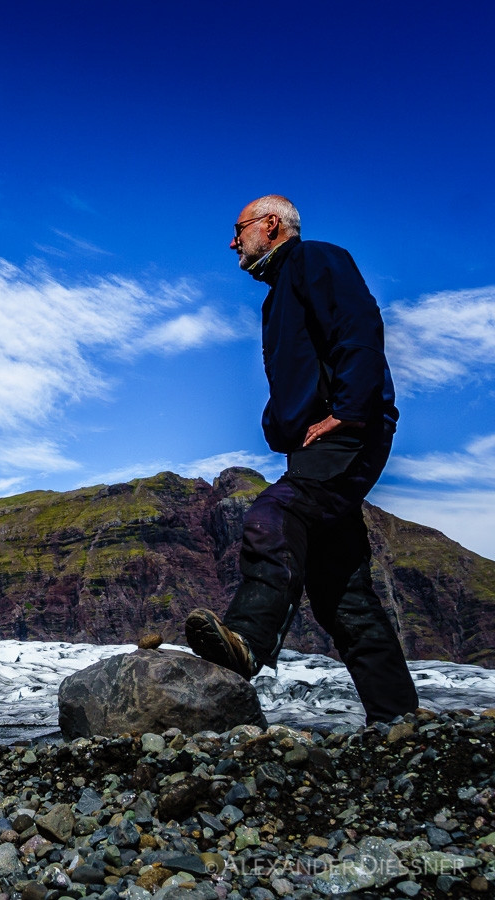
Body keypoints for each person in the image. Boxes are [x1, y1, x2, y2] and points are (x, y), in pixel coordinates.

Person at [184, 194, 419, 723]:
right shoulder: (278, 294)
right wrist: (281, 423)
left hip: (348, 432)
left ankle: (247, 638)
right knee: (341, 588)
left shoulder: (316, 259)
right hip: (316, 441)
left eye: (239, 229)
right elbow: (300, 368)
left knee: (275, 515)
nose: (232, 241)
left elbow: (359, 328)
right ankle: (398, 717)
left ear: (270, 225)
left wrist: (351, 411)